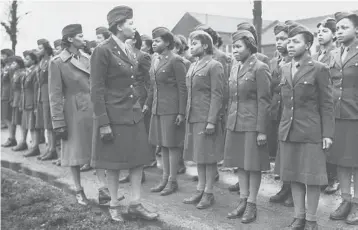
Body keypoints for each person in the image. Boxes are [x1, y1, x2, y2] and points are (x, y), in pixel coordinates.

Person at [90, 6, 158, 222]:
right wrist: (103, 123)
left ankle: (135, 203)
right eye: (130, 22)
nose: (134, 26)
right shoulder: (102, 50)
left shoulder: (128, 49)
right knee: (114, 163)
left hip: (133, 113)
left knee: (137, 160)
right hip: (114, 115)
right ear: (119, 26)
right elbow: (96, 89)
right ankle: (114, 205)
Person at [279, 24, 334, 230]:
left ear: (308, 45)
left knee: (311, 178)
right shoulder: (285, 68)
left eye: (296, 41)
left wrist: (327, 133)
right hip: (289, 130)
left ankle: (311, 220)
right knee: (293, 175)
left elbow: (327, 104)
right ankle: (298, 216)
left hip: (311, 131)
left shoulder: (319, 69)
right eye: (289, 41)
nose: (290, 45)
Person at [224, 29, 271, 224]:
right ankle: (243, 200)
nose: (234, 50)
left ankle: (252, 204)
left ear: (249, 47)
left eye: (238, 47)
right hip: (235, 123)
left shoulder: (260, 68)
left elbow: (265, 101)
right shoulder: (235, 67)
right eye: (233, 47)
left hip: (252, 124)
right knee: (240, 164)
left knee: (253, 166)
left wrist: (262, 130)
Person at [49, 24, 93, 205]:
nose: (84, 39)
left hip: (92, 108)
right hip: (72, 111)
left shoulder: (87, 58)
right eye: (80, 36)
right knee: (74, 152)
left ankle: (103, 189)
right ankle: (78, 190)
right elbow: (55, 94)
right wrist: (58, 121)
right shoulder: (57, 62)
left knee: (96, 148)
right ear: (70, 39)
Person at [183, 30, 224, 209]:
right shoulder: (193, 65)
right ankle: (200, 190)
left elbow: (217, 95)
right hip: (193, 116)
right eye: (191, 43)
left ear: (205, 46)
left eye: (195, 43)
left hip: (206, 117)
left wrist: (211, 121)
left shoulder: (214, 65)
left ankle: (208, 193)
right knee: (199, 156)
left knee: (208, 157)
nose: (191, 47)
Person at [144, 26, 187, 196]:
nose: (154, 43)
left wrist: (181, 112)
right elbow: (153, 85)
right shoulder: (156, 59)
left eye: (158, 41)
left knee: (173, 145)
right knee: (163, 145)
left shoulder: (175, 60)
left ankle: (172, 181)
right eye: (153, 40)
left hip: (171, 109)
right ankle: (164, 178)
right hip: (158, 108)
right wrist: (148, 103)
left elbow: (183, 88)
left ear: (167, 42)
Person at [329, 12, 358, 225]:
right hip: (337, 115)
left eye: (344, 27)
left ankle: (357, 204)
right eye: (337, 28)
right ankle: (346, 200)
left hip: (355, 115)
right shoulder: (334, 54)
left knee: (356, 162)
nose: (339, 32)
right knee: (341, 161)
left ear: (356, 30)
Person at [118, 30, 150, 184]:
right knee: (127, 138)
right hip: (125, 98)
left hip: (139, 98)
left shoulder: (142, 56)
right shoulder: (120, 55)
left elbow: (150, 83)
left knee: (138, 138)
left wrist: (148, 102)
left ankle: (139, 172)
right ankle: (131, 171)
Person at [313, 17, 340, 195]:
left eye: (325, 31)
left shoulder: (336, 54)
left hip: (334, 101)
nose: (320, 34)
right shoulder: (315, 56)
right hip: (317, 102)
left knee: (332, 139)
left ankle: (333, 177)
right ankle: (323, 175)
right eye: (319, 32)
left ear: (334, 34)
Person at [268, 22, 294, 208]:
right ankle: (285, 186)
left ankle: (294, 191)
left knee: (293, 150)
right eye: (277, 39)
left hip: (292, 111)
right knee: (282, 150)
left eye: (283, 39)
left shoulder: (295, 61)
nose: (279, 42)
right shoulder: (274, 62)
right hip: (278, 110)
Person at [36, 39, 58, 161]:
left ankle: (53, 149)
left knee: (50, 123)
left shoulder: (51, 61)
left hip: (49, 94)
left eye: (40, 48)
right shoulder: (42, 62)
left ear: (46, 48)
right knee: (46, 124)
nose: (38, 50)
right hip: (42, 95)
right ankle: (49, 148)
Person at [21, 50, 41, 158]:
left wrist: (35, 105)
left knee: (33, 126)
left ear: (33, 60)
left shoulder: (35, 71)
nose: (25, 60)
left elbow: (36, 89)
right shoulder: (28, 71)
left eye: (27, 59)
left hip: (32, 103)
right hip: (26, 102)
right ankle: (33, 145)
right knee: (29, 126)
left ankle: (35, 147)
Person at [9, 56, 28, 151]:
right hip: (15, 99)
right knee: (17, 120)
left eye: (13, 63)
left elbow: (23, 89)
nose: (12, 65)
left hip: (20, 98)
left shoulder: (23, 73)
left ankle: (23, 141)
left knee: (22, 121)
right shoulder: (16, 72)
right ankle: (19, 141)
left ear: (19, 64)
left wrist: (21, 101)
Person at [1, 49, 16, 147]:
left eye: (3, 55)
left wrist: (12, 96)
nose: (1, 57)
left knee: (9, 118)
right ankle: (10, 137)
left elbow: (13, 82)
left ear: (8, 56)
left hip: (8, 94)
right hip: (3, 94)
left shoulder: (11, 67)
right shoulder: (6, 67)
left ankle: (12, 138)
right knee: (5, 117)